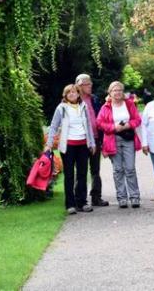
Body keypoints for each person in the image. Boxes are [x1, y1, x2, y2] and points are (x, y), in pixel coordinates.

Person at [45, 84, 97, 215]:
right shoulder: (61, 108)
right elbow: (53, 127)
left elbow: (89, 126)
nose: (72, 94)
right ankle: (70, 204)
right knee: (69, 175)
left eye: (74, 92)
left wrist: (92, 143)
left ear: (78, 94)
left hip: (83, 145)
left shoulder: (83, 106)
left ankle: (82, 202)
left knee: (82, 174)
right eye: (69, 93)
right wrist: (49, 143)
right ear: (66, 95)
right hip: (68, 146)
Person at [97, 81, 143, 208]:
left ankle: (134, 197)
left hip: (128, 139)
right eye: (114, 90)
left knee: (130, 169)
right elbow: (99, 123)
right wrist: (114, 127)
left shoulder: (129, 104)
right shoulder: (105, 107)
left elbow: (137, 119)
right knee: (118, 170)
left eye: (119, 90)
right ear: (110, 93)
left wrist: (129, 125)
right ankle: (122, 198)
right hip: (113, 140)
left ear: (122, 92)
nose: (117, 92)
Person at [75, 73, 108, 207]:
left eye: (90, 83)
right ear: (79, 85)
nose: (90, 86)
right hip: (80, 141)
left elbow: (100, 116)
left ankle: (96, 197)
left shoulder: (94, 99)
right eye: (87, 84)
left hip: (95, 139)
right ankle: (80, 200)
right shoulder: (73, 100)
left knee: (95, 170)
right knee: (81, 171)